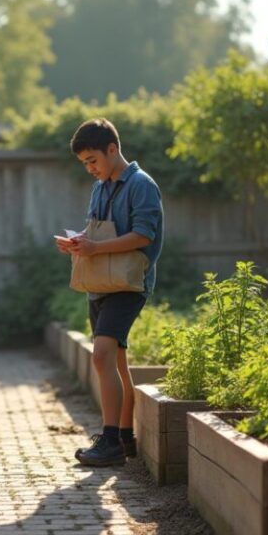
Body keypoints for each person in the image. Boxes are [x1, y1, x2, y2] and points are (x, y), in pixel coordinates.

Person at [56, 118, 164, 467]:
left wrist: (95, 249)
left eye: (93, 160)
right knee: (116, 361)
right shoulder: (100, 187)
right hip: (100, 284)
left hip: (129, 284)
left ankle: (110, 441)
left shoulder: (141, 184)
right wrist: (78, 243)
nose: (90, 168)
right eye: (84, 163)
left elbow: (143, 235)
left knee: (101, 356)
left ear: (112, 149)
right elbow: (97, 233)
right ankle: (125, 437)